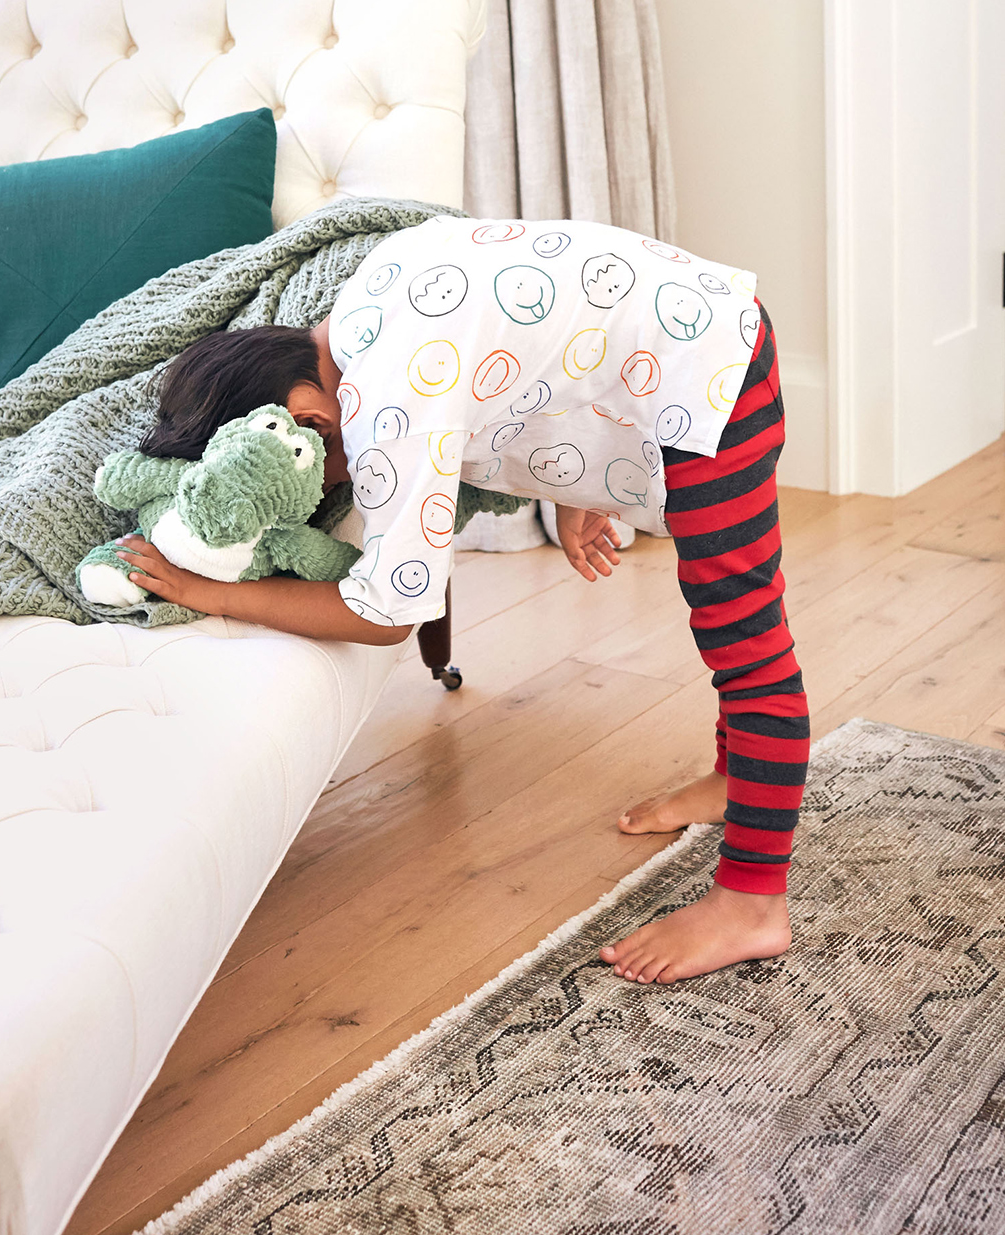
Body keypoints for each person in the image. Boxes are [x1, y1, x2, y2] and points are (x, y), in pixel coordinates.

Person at [115, 216, 808, 985]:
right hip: (692, 331)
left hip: (711, 374)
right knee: (731, 623)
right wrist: (576, 484)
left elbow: (386, 615)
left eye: (324, 475)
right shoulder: (365, 301)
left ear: (307, 420)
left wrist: (209, 592)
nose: (338, 489)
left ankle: (753, 900)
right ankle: (735, 778)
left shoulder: (386, 405)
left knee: (745, 639)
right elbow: (532, 337)